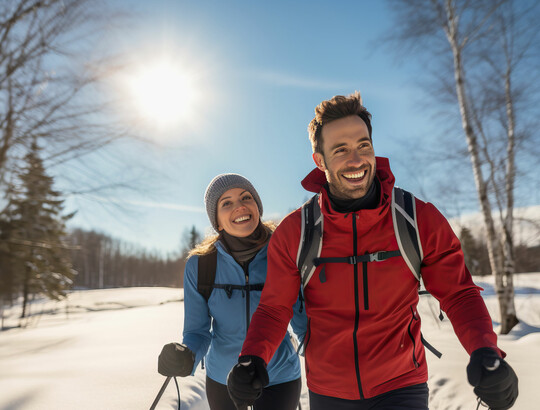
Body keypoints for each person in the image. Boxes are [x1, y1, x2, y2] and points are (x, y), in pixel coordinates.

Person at [227, 93, 519, 410]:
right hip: (329, 392)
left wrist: (485, 350)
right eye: (340, 150)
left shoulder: (416, 219)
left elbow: (459, 292)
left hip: (402, 385)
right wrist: (253, 357)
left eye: (363, 145)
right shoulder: (296, 232)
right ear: (320, 160)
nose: (356, 160)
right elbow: (274, 308)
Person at [158, 173, 305, 410]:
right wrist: (186, 355)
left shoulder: (284, 253)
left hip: (278, 376)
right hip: (222, 378)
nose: (239, 206)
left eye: (246, 197)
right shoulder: (202, 265)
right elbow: (197, 332)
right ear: (216, 220)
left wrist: (328, 355)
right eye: (226, 203)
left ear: (258, 207)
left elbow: (303, 321)